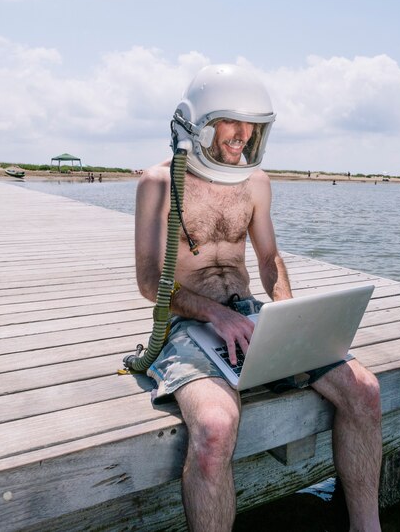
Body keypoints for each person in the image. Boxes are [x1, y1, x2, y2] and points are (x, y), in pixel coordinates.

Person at [135, 64, 382, 532]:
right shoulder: (158, 183)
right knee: (214, 429)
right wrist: (213, 315)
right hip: (187, 325)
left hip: (251, 315)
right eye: (232, 121)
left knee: (365, 391)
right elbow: (151, 283)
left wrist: (286, 310)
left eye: (254, 125)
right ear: (197, 121)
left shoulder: (257, 182)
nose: (243, 135)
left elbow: (269, 260)